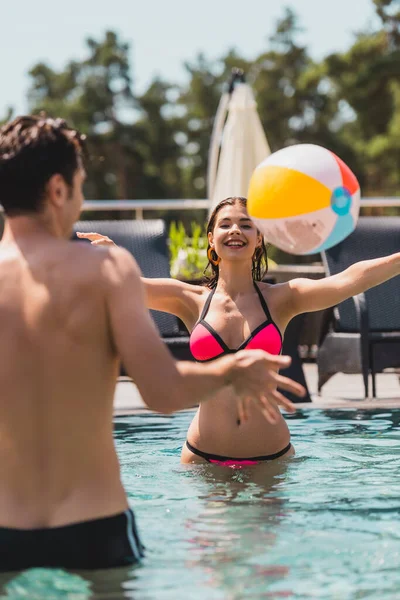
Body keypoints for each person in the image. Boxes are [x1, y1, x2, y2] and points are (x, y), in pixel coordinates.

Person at [0, 116, 305, 572]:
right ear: (59, 191)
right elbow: (160, 392)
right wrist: (231, 372)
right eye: (82, 183)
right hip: (93, 520)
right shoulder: (105, 269)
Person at [80, 195, 400, 468]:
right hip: (202, 458)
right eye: (225, 224)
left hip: (270, 457)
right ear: (211, 238)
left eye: (246, 224)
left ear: (259, 238)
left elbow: (350, 279)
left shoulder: (283, 299)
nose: (236, 230)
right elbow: (126, 283)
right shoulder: (188, 300)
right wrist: (109, 256)